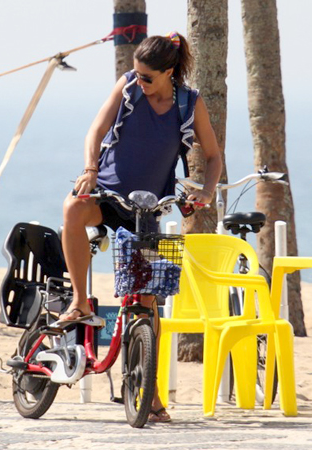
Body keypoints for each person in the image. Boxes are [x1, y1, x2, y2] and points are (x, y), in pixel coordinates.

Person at [59, 32, 222, 423]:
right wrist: (90, 171)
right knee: (72, 209)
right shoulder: (129, 86)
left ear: (169, 72)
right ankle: (80, 300)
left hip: (146, 209)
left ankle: (150, 394)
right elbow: (95, 132)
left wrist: (208, 191)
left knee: (148, 309)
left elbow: (214, 156)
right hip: (108, 195)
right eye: (136, 74)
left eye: (148, 77)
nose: (140, 82)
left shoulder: (189, 103)